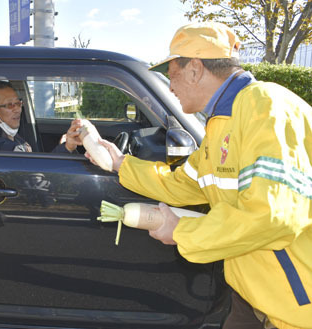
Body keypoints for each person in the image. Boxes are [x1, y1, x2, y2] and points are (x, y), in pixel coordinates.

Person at [87, 22, 312, 329]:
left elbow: (273, 216)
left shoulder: (265, 106)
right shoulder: (221, 123)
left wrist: (182, 232)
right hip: (255, 295)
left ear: (194, 69)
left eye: (172, 74)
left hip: (296, 305)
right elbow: (183, 184)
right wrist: (119, 164)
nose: (170, 86)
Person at [0, 80, 82, 153]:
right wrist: (67, 147)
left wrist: (63, 146)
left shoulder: (8, 134)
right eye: (10, 105)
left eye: (18, 103)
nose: (17, 109)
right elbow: (38, 178)